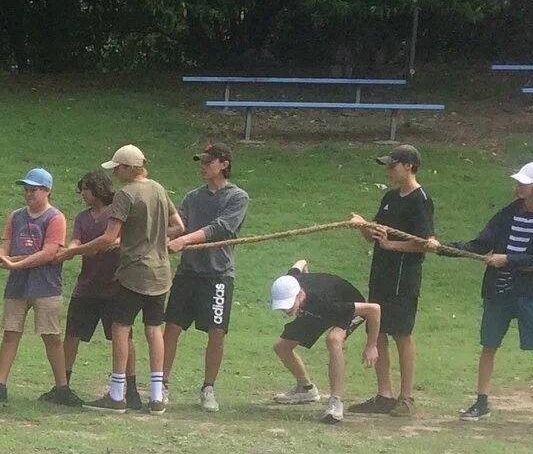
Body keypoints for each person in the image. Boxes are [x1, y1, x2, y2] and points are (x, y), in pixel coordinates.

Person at [446, 160, 533, 425]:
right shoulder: (508, 213)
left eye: (524, 183)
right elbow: (481, 244)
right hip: (498, 288)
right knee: (489, 345)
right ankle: (481, 402)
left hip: (531, 292)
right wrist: (443, 248)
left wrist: (509, 259)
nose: (518, 187)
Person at [78, 144, 174, 413]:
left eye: (118, 168)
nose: (115, 173)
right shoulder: (159, 189)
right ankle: (157, 396)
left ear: (129, 168)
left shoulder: (125, 194)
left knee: (121, 327)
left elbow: (109, 237)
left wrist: (75, 251)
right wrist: (158, 241)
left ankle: (117, 393)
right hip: (160, 272)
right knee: (154, 329)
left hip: (133, 272)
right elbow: (178, 226)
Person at [349, 144, 434, 417]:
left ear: (409, 166)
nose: (389, 171)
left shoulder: (421, 200)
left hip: (403, 278)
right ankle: (384, 395)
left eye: (393, 165)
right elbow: (375, 235)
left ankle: (406, 397)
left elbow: (424, 243)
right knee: (378, 331)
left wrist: (391, 245)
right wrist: (363, 226)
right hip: (381, 274)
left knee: (402, 333)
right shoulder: (390, 197)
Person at [161, 142, 246, 414]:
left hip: (218, 274)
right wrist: (160, 236)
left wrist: (185, 240)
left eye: (209, 161)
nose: (203, 166)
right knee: (172, 327)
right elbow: (178, 226)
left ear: (224, 164)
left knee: (216, 331)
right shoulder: (192, 197)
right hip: (188, 272)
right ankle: (161, 384)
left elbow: (220, 228)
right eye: (202, 161)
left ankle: (208, 388)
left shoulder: (238, 197)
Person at [0, 168, 68, 406]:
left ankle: (62, 387)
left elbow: (49, 252)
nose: (28, 194)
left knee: (51, 336)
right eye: (26, 190)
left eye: (33, 190)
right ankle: (0, 385)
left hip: (46, 285)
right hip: (17, 285)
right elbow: (5, 246)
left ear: (47, 191)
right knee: (10, 333)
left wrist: (16, 264)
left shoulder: (55, 218)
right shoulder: (15, 216)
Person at [266, 259, 383, 424]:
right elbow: (301, 262)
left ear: (299, 294)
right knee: (281, 347)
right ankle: (306, 389)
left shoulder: (326, 301)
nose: (286, 311)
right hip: (313, 309)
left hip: (345, 309)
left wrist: (371, 345)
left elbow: (374, 309)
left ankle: (335, 401)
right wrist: (307, 272)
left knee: (333, 339)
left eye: (289, 305)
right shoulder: (290, 280)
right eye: (283, 307)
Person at [46, 172, 123, 410]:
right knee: (72, 334)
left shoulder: (117, 212)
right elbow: (76, 240)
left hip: (114, 286)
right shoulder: (82, 217)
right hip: (86, 286)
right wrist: (70, 250)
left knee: (121, 336)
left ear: (97, 189)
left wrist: (100, 246)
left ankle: (126, 386)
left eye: (85, 189)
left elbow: (122, 239)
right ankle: (62, 385)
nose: (82, 194)